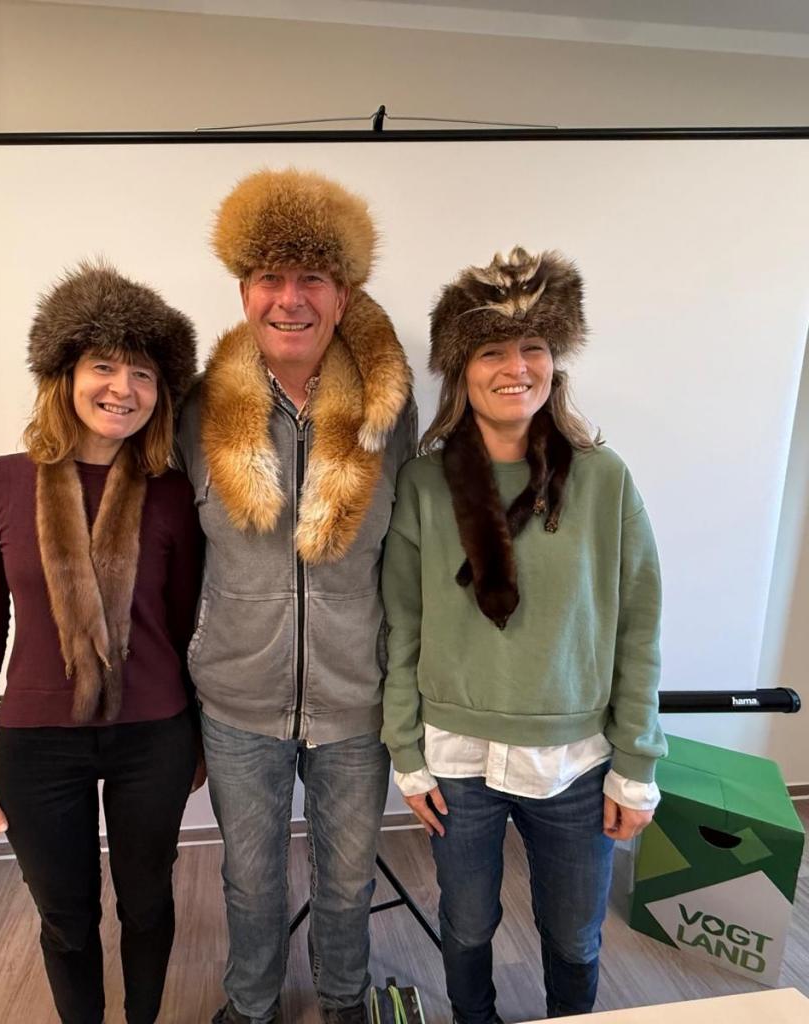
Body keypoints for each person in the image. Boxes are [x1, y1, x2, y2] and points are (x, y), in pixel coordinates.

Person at [381, 246, 666, 1024]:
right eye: (491, 351)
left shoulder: (603, 479)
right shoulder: (423, 485)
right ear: (460, 370)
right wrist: (405, 751)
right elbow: (403, 625)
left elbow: (639, 625)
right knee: (467, 925)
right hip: (456, 757)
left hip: (578, 759)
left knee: (574, 936)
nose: (516, 367)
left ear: (555, 361)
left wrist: (636, 761)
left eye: (533, 347)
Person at [177, 168, 416, 1024]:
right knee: (250, 878)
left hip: (356, 698)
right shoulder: (197, 409)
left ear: (342, 296)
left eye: (311, 277)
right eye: (270, 277)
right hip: (238, 698)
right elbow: (175, 555)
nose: (290, 299)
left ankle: (345, 999)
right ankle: (252, 1004)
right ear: (243, 292)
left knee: (347, 878)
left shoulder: (389, 412)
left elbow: (407, 558)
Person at [0, 261, 202, 1024]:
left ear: (161, 393)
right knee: (65, 918)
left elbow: (186, 624)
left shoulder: (174, 493)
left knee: (148, 905)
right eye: (103, 366)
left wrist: (196, 738)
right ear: (64, 375)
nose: (122, 388)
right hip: (37, 743)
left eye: (143, 373)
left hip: (154, 735)